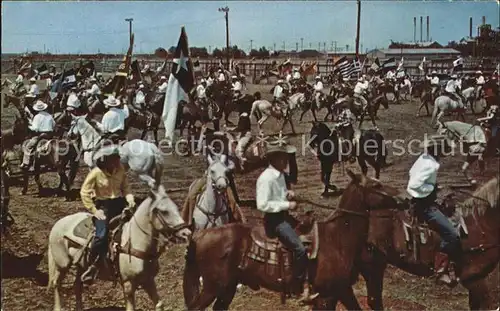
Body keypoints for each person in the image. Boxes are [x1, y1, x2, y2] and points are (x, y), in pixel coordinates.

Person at [256, 140, 318, 302]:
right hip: (275, 221)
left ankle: (308, 279)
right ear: (273, 159)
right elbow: (262, 204)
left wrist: (288, 193)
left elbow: (280, 193)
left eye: (286, 157)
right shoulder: (266, 178)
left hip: (284, 216)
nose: (286, 161)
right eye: (283, 158)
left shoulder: (280, 175)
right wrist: (287, 204)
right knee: (299, 248)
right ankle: (295, 287)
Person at [406, 134, 461, 286]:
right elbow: (413, 185)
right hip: (425, 207)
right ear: (437, 149)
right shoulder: (431, 165)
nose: (446, 152)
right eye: (444, 149)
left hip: (422, 202)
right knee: (452, 235)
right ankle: (440, 270)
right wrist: (431, 188)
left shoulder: (424, 158)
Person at [79, 145, 135, 284]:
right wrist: (94, 210)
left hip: (119, 204)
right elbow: (84, 192)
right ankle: (93, 264)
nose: (118, 161)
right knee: (101, 235)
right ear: (107, 160)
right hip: (103, 207)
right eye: (115, 158)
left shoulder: (120, 170)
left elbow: (125, 187)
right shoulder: (96, 173)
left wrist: (130, 199)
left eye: (118, 158)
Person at [20, 100, 55, 169]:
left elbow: (35, 128)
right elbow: (54, 125)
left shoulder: (37, 117)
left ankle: (26, 163)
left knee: (28, 146)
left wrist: (29, 126)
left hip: (40, 135)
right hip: (50, 135)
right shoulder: (49, 116)